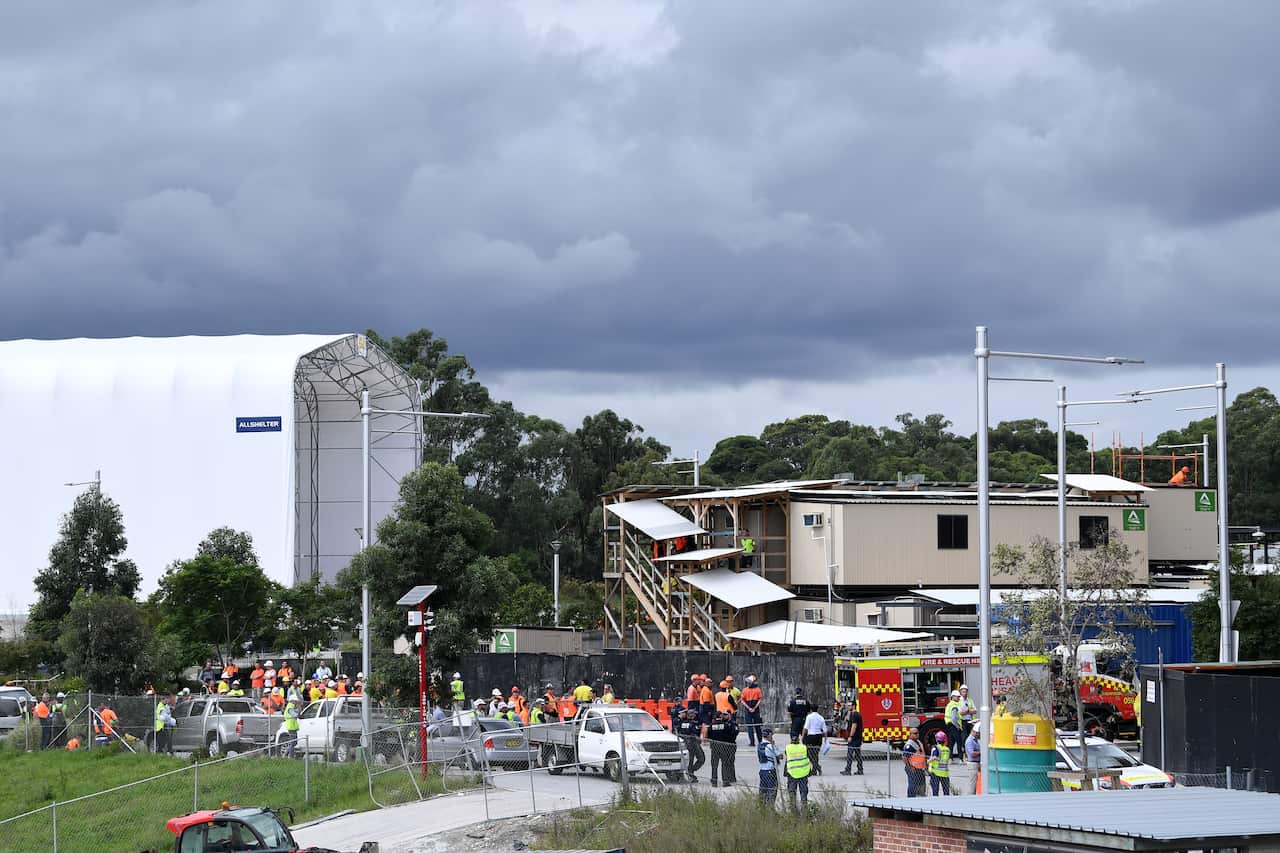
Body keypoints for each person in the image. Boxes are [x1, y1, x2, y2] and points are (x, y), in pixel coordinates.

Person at [706, 709, 738, 787]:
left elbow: (708, 736)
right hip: (724, 747)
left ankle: (714, 781)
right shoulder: (726, 725)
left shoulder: (711, 726)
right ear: (721, 717)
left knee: (714, 765)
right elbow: (731, 735)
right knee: (725, 764)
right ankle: (725, 781)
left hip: (714, 747)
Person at [784, 732, 811, 813]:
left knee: (792, 792)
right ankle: (804, 810)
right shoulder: (803, 747)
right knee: (803, 792)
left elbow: (786, 754)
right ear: (799, 739)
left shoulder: (788, 747)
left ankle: (793, 811)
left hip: (792, 773)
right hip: (803, 773)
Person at [676, 706, 705, 782]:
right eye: (694, 714)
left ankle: (690, 773)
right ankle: (691, 772)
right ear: (691, 715)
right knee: (701, 758)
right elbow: (695, 733)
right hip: (693, 743)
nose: (695, 715)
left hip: (686, 743)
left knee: (690, 760)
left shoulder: (682, 723)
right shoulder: (693, 724)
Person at [757, 726, 780, 804]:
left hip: (762, 771)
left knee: (763, 792)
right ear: (769, 735)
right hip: (771, 771)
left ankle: (763, 809)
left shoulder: (759, 745)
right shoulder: (770, 746)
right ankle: (771, 809)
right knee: (772, 791)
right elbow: (780, 756)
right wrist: (774, 745)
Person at [802, 704, 827, 775]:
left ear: (811, 709)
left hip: (810, 737)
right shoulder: (821, 717)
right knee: (816, 754)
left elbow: (805, 728)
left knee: (809, 754)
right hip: (819, 738)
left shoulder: (809, 717)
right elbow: (824, 730)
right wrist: (825, 739)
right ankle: (815, 769)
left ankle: (817, 767)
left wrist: (803, 737)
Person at [902, 726, 927, 797]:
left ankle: (920, 797)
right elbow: (904, 757)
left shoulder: (918, 742)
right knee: (913, 786)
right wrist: (910, 767)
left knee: (921, 785)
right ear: (910, 734)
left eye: (918, 733)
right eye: (915, 733)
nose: (917, 734)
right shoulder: (909, 745)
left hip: (920, 768)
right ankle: (911, 798)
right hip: (913, 769)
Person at [840, 702, 864, 775]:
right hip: (858, 737)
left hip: (854, 738)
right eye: (848, 705)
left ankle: (848, 770)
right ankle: (860, 769)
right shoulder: (857, 714)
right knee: (858, 754)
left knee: (850, 754)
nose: (848, 707)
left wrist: (850, 736)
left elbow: (854, 726)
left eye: (850, 705)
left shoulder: (854, 715)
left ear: (854, 706)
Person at [740, 675, 763, 746]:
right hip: (753, 709)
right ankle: (758, 741)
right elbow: (760, 700)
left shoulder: (748, 690)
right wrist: (753, 708)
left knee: (754, 726)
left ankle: (754, 742)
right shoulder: (757, 690)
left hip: (750, 709)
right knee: (755, 726)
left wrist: (750, 708)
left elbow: (742, 700)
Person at [928, 732, 952, 796]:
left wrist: (927, 761)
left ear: (936, 739)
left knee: (935, 791)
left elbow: (934, 757)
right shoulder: (947, 749)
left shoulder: (935, 748)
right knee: (946, 792)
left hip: (935, 772)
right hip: (945, 773)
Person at [958, 684, 976, 756]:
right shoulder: (959, 701)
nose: (965, 693)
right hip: (963, 721)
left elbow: (975, 710)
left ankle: (969, 752)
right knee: (964, 737)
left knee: (971, 737)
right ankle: (964, 753)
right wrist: (969, 711)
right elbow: (961, 713)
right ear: (960, 692)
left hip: (970, 721)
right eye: (963, 692)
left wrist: (967, 711)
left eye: (966, 691)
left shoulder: (970, 700)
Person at [944, 690, 964, 758]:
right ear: (953, 697)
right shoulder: (954, 705)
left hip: (949, 725)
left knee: (951, 742)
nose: (959, 698)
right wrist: (958, 727)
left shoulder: (949, 704)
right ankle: (961, 758)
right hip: (954, 725)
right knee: (959, 742)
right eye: (957, 697)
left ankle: (950, 757)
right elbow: (954, 718)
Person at [964, 722, 982, 795]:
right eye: (978, 733)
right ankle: (970, 798)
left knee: (975, 784)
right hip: (973, 764)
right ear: (974, 732)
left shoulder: (974, 740)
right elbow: (972, 754)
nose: (979, 735)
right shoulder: (970, 741)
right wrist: (981, 752)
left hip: (975, 764)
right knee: (972, 785)